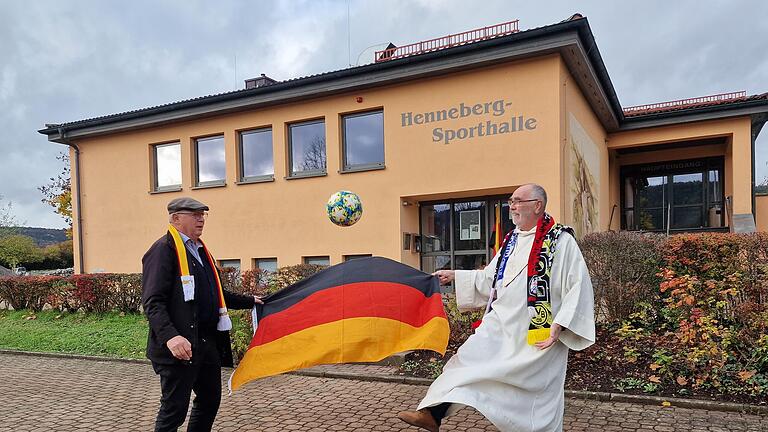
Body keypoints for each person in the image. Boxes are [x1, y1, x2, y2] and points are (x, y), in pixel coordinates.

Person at [397, 183, 595, 432]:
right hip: (500, 324)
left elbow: (578, 284)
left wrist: (560, 324)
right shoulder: (511, 241)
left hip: (537, 333)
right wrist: (454, 274)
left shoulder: (561, 240)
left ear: (537, 205)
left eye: (518, 201)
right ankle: (432, 414)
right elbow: (491, 278)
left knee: (532, 395)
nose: (511, 206)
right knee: (465, 361)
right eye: (511, 201)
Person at [142, 197, 262, 432]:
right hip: (180, 347)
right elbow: (153, 302)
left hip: (206, 343)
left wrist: (251, 301)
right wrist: (171, 337)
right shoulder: (163, 250)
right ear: (176, 219)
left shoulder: (199, 250)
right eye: (194, 214)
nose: (201, 219)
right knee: (173, 411)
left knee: (209, 401)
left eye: (203, 215)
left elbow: (214, 292)